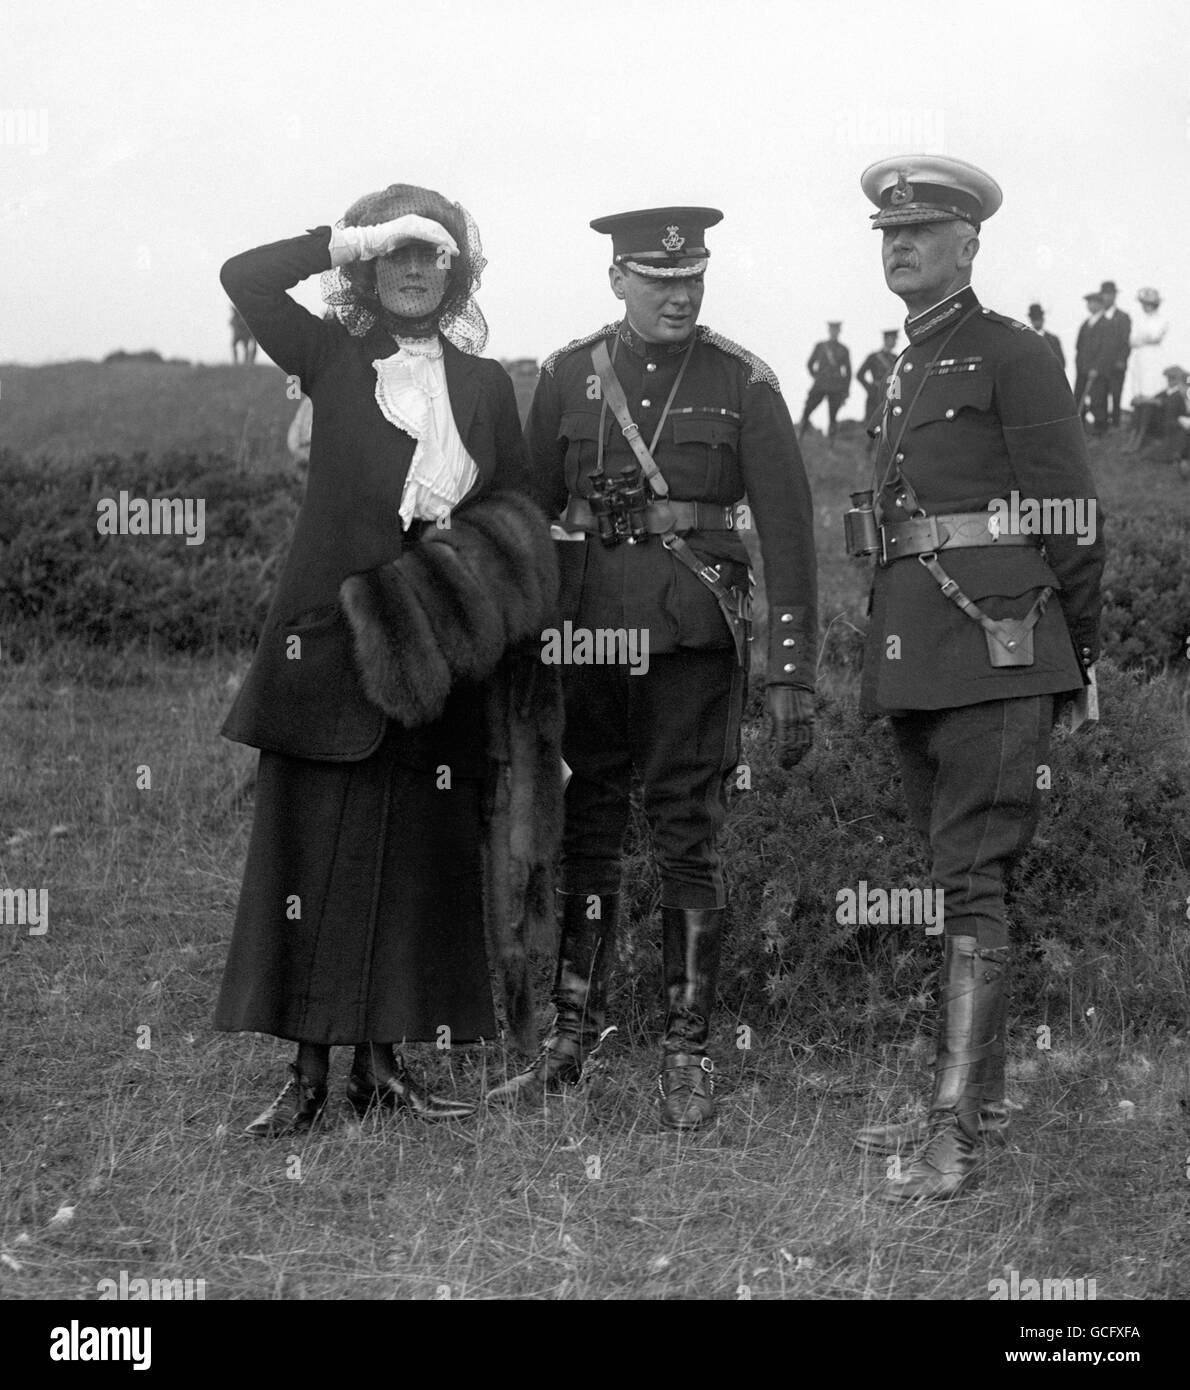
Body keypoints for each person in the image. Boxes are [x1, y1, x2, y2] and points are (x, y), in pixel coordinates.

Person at [214, 183, 561, 1137]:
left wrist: (463, 575)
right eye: (396, 254)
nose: (414, 270)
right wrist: (338, 236)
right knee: (309, 858)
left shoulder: (487, 386)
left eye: (433, 255)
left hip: (435, 652)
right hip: (324, 647)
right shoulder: (330, 355)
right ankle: (306, 1074)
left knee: (414, 859)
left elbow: (522, 509)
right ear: (369, 266)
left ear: (457, 274)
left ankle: (383, 1067)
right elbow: (243, 277)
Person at [487, 206, 818, 1130]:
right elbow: (527, 515)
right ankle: (568, 1039)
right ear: (619, 280)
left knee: (685, 832)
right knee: (588, 823)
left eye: (692, 279)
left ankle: (687, 1048)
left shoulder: (743, 381)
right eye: (659, 279)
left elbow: (789, 535)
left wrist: (792, 669)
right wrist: (513, 635)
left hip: (689, 640)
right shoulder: (564, 376)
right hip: (587, 633)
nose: (679, 294)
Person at [852, 155, 1104, 1202]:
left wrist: (1076, 657)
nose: (898, 241)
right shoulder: (900, 362)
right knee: (955, 873)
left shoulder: (1016, 352)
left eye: (921, 228)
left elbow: (1069, 514)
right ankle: (980, 1101)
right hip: (917, 646)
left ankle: (950, 1136)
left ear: (967, 243)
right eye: (886, 229)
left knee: (970, 881)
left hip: (1000, 643)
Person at [799, 321, 852, 444]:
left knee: (833, 416)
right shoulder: (820, 346)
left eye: (836, 330)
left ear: (839, 331)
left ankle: (831, 444)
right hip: (820, 385)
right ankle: (800, 437)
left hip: (836, 387)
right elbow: (810, 364)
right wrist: (817, 376)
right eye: (832, 330)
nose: (834, 332)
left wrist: (846, 390)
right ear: (829, 331)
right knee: (808, 409)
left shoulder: (844, 349)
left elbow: (848, 372)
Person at [1073, 292, 1112, 435]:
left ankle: (1101, 430)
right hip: (1082, 369)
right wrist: (1079, 365)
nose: (1090, 305)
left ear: (1101, 304)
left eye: (1093, 302)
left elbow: (1107, 350)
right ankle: (1080, 429)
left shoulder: (1106, 324)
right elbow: (1078, 346)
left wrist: (1096, 368)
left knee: (1098, 399)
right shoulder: (1086, 323)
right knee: (1078, 397)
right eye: (1088, 303)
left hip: (1098, 371)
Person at [857, 329, 900, 456]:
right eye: (893, 339)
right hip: (874, 396)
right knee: (871, 424)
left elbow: (897, 379)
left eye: (895, 339)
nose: (895, 342)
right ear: (886, 339)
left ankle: (880, 456)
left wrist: (896, 397)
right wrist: (870, 388)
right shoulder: (874, 357)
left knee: (889, 426)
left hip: (889, 397)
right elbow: (859, 374)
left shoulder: (895, 358)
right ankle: (865, 454)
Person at [1097, 279, 1132, 429]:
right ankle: (1103, 426)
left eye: (1110, 294)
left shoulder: (1123, 317)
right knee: (1101, 395)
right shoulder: (1098, 319)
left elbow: (1126, 342)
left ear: (1114, 296)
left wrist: (1122, 360)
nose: (1107, 298)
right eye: (1104, 294)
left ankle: (1116, 424)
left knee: (1116, 395)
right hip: (1101, 366)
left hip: (1117, 365)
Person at [1127, 286, 1168, 404]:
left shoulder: (1161, 319)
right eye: (1144, 303)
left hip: (1154, 354)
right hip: (1140, 354)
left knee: (1153, 382)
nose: (1145, 306)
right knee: (1139, 381)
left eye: (1149, 303)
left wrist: (1143, 339)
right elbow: (1132, 340)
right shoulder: (1139, 320)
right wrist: (1144, 339)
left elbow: (1156, 337)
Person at [1025, 303, 1064, 369]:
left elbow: (1061, 363)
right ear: (1030, 320)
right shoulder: (1025, 340)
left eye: (1039, 318)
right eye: (1034, 318)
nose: (1037, 321)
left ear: (1043, 319)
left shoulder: (1054, 340)